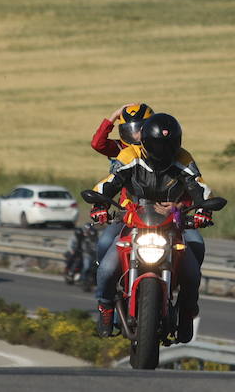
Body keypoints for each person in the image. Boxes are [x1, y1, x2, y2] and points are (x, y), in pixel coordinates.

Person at [90, 113, 214, 343]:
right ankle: (105, 308)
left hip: (171, 227)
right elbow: (110, 182)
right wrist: (99, 204)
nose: (162, 150)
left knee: (192, 272)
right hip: (132, 224)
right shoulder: (130, 155)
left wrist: (203, 210)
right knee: (107, 269)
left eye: (168, 144)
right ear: (145, 141)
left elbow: (198, 186)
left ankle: (186, 313)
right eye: (157, 144)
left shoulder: (183, 159)